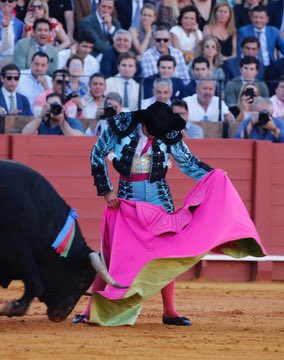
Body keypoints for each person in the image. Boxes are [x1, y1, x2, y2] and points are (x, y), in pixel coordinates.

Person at [74, 100, 213, 326]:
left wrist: (213, 176)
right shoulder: (123, 125)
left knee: (166, 253)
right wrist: (106, 190)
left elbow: (188, 163)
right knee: (110, 254)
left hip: (159, 197)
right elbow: (97, 153)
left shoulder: (167, 130)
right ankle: (90, 309)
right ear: (144, 123)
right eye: (151, 132)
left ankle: (170, 311)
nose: (154, 136)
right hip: (127, 198)